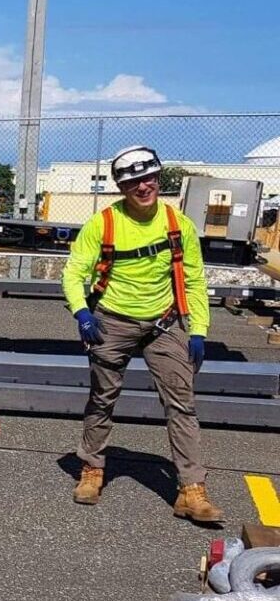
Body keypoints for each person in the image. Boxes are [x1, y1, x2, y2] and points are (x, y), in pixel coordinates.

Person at [60, 144, 222, 522]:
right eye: (134, 181)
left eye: (149, 178)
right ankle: (92, 470)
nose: (144, 187)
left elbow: (195, 280)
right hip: (111, 321)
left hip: (166, 322)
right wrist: (83, 313)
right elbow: (73, 273)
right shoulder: (103, 224)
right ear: (121, 187)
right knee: (102, 398)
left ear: (158, 178)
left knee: (182, 404)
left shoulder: (178, 223)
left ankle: (191, 490)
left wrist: (198, 330)